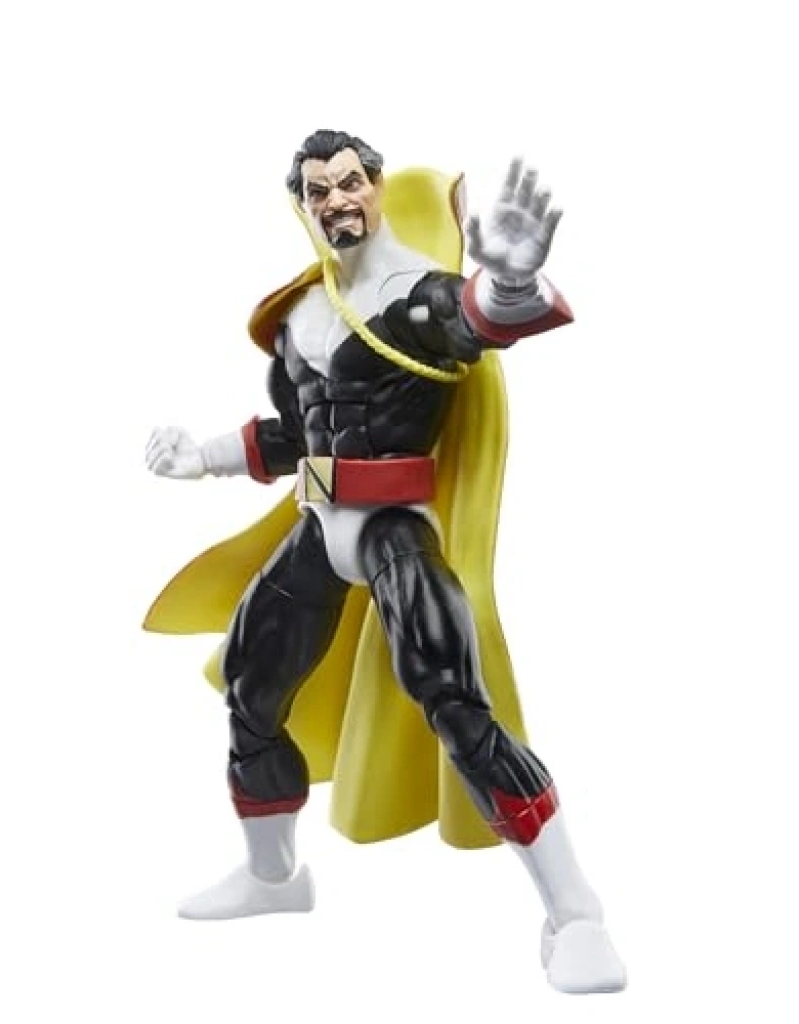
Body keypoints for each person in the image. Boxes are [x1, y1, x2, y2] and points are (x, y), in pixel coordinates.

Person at [144, 130, 625, 994]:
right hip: (319, 529)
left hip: (394, 531)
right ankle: (272, 876)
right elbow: (298, 433)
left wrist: (511, 283)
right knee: (252, 687)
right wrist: (204, 458)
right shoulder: (302, 313)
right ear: (302, 206)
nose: (337, 200)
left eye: (350, 182)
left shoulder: (412, 296)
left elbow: (474, 319)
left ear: (376, 185)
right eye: (318, 190)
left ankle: (576, 912)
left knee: (457, 706)